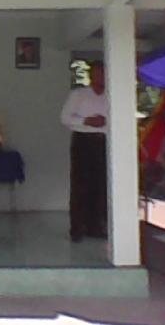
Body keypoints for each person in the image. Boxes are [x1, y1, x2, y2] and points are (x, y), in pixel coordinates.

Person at [60, 61, 108, 242]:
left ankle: (95, 226)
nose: (100, 77)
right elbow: (65, 117)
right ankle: (77, 228)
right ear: (90, 75)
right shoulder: (79, 95)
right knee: (81, 184)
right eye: (97, 73)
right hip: (83, 141)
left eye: (103, 73)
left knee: (100, 185)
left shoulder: (111, 96)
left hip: (103, 141)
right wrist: (86, 121)